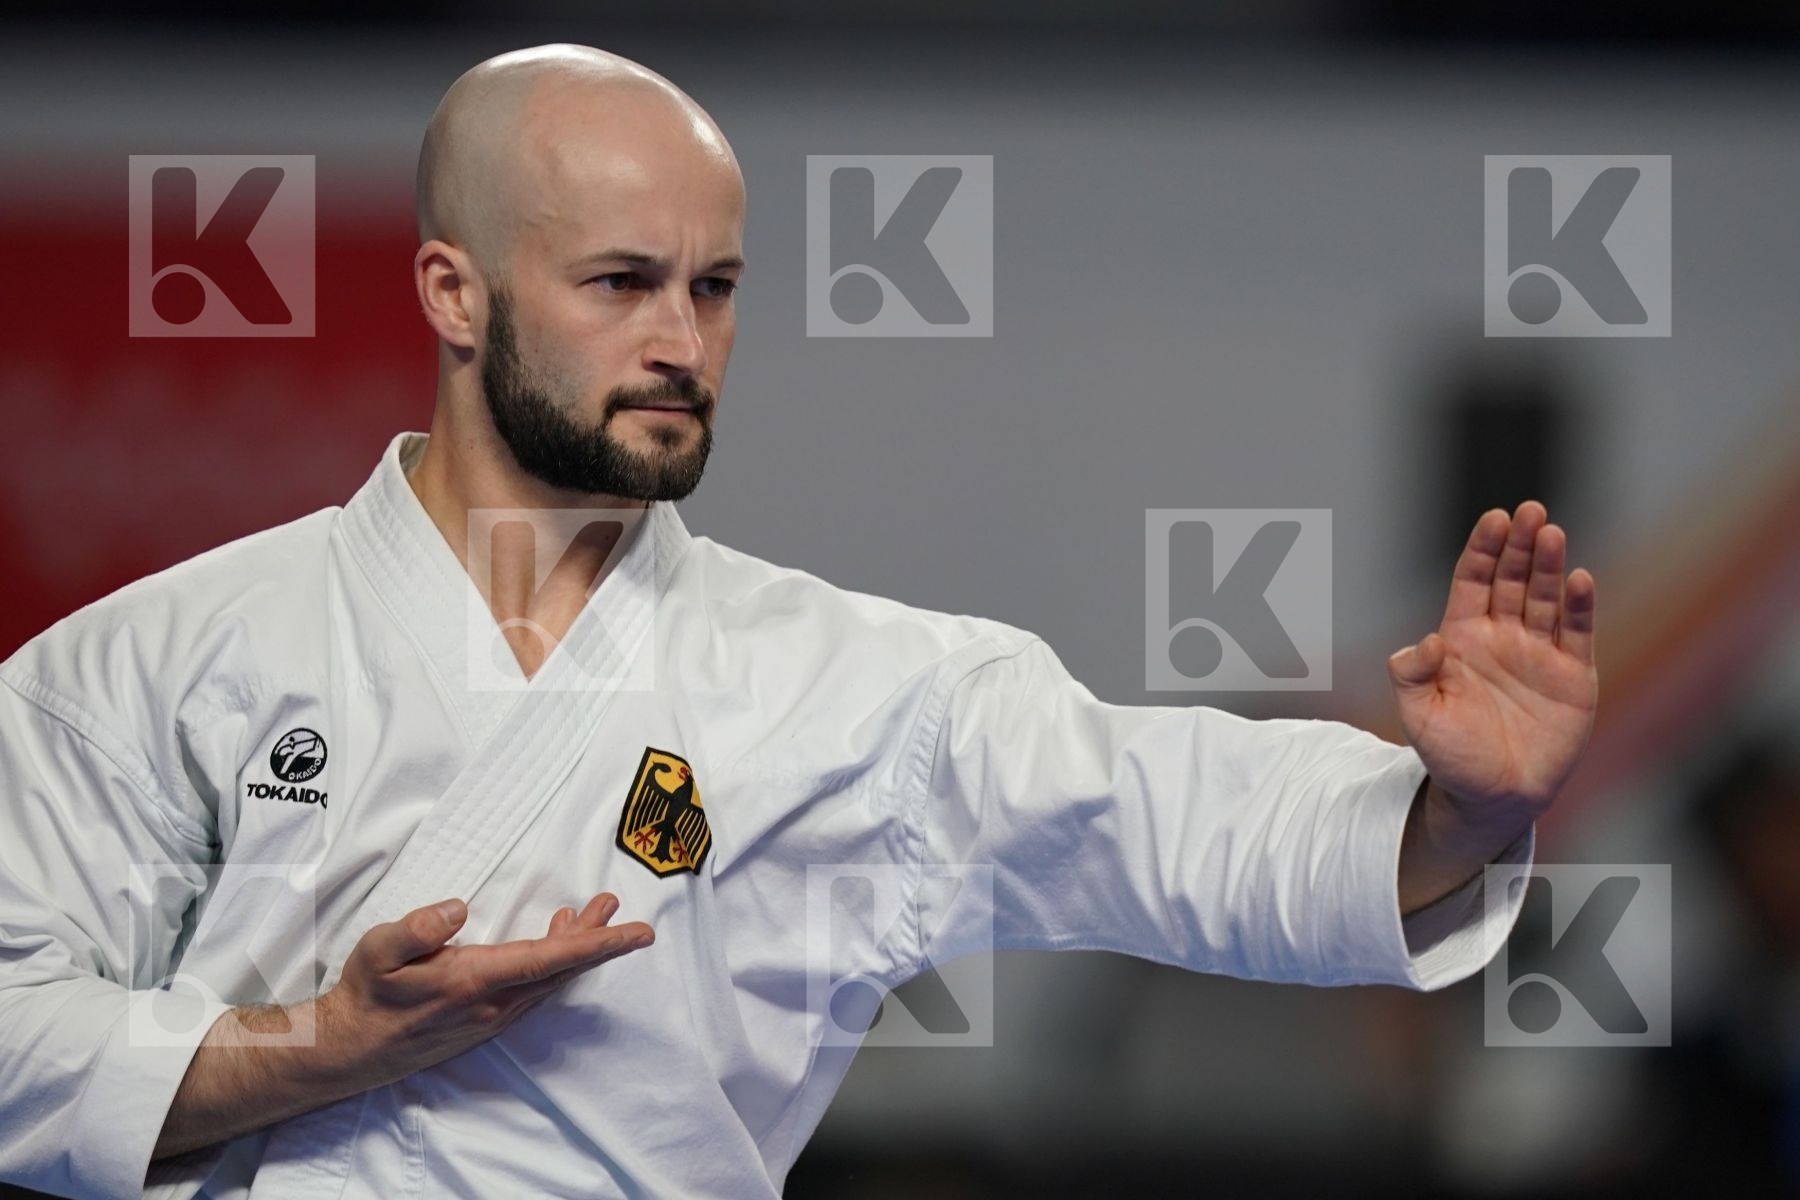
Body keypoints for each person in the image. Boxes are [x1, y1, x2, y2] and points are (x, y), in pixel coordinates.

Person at [0, 43, 1598, 1200]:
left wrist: (1464, 805)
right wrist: (321, 1050)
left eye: (715, 287)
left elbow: (1173, 817)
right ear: (452, 294)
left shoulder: (845, 691)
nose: (682, 340)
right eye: (621, 282)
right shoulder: (154, 661)